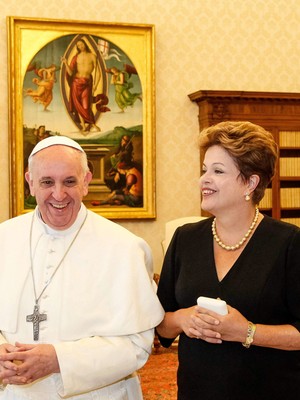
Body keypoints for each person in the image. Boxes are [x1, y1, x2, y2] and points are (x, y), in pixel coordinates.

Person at [0, 135, 164, 399]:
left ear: (86, 181)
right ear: (30, 183)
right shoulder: (3, 239)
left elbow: (137, 345)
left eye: (69, 182)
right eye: (46, 182)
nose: (58, 194)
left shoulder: (125, 248)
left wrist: (60, 359)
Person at [156, 121, 300, 400]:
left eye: (218, 171)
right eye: (204, 170)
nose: (204, 179)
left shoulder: (289, 243)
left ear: (251, 182)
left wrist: (247, 332)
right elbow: (160, 324)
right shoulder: (184, 239)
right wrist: (182, 319)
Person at [61, 38, 102, 133]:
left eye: (82, 44)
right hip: (76, 83)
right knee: (78, 105)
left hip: (87, 83)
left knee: (86, 106)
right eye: (78, 45)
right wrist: (66, 63)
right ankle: (83, 127)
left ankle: (93, 124)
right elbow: (71, 73)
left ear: (85, 44)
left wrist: (95, 85)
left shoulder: (92, 56)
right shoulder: (76, 57)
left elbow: (99, 73)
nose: (80, 46)